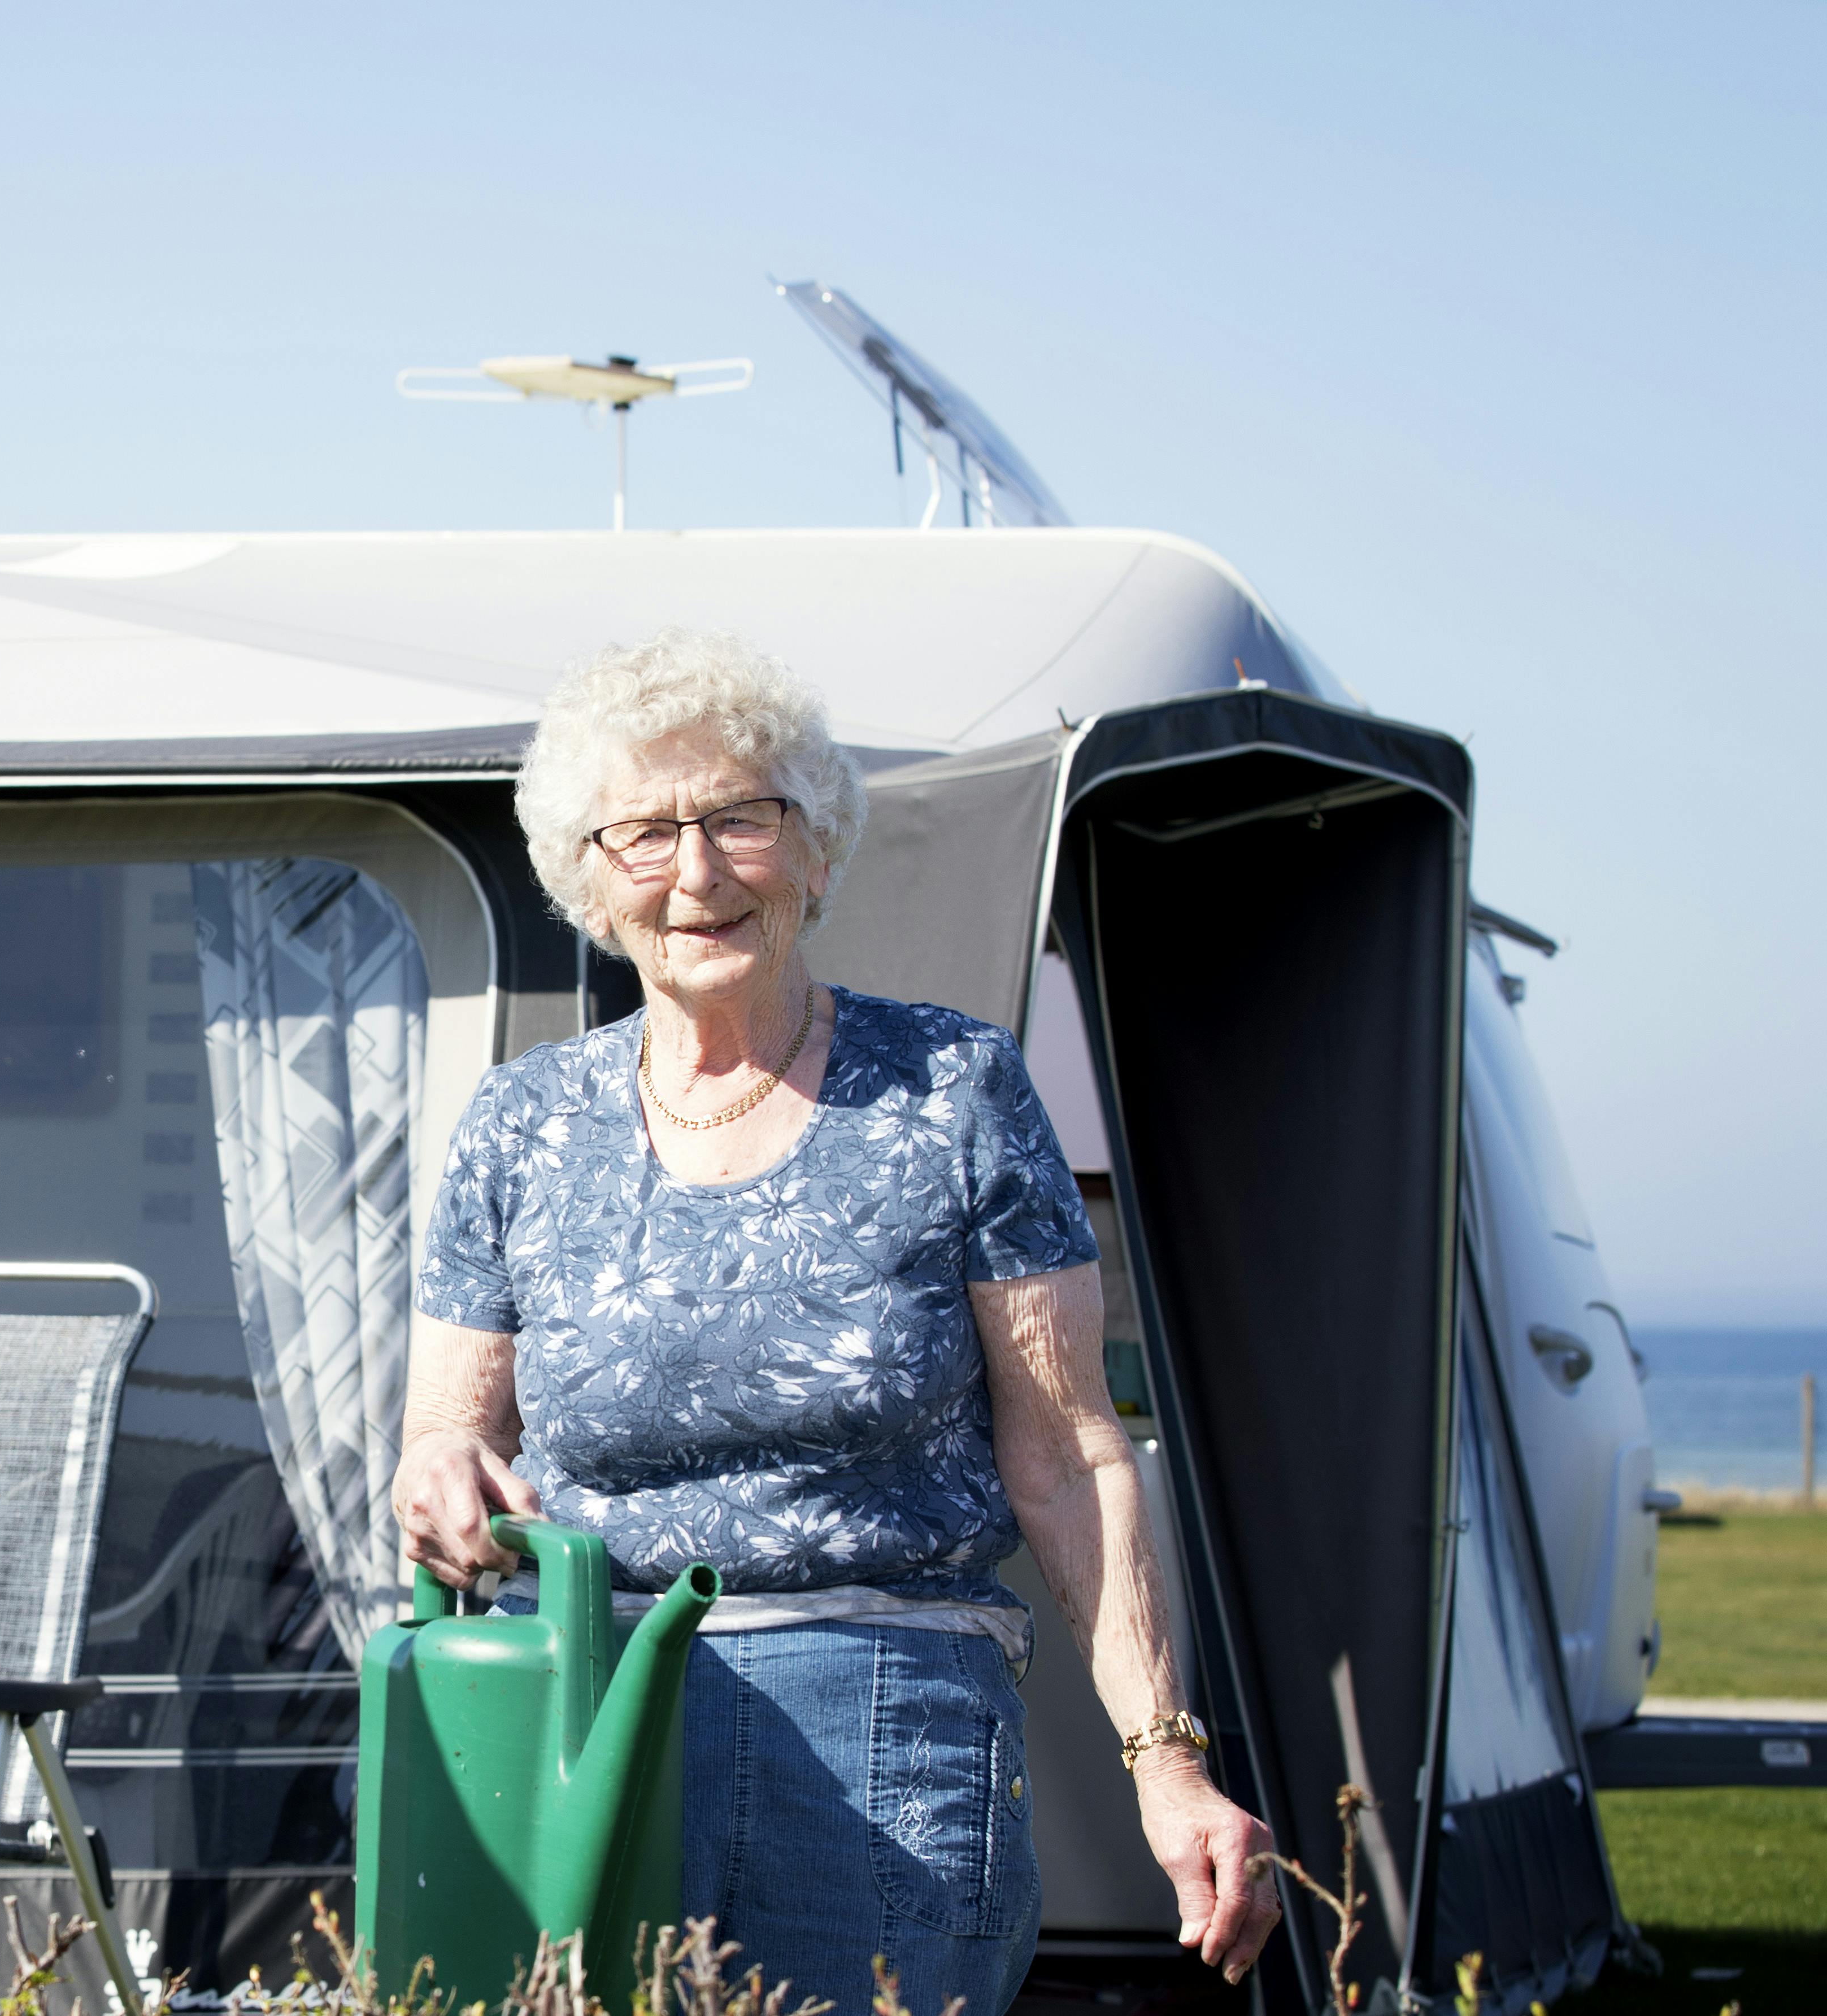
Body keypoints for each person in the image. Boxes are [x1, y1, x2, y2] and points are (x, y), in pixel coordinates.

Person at [399, 630, 1281, 2010]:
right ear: (588, 880)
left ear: (815, 853)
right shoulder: (522, 1122)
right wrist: (442, 1472)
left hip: (886, 1726)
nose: (697, 873)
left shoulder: (952, 1087)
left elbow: (1067, 1454)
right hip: (578, 1720)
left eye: (740, 820)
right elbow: (443, 1437)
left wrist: (1166, 1764)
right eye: (643, 835)